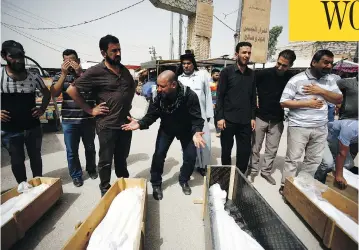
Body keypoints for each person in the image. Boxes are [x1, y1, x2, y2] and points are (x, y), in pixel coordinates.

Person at [66, 35, 136, 196]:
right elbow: (71, 90)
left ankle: (123, 184)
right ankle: (105, 188)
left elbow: (131, 87)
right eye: (114, 51)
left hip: (125, 124)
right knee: (105, 160)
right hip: (107, 125)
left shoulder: (124, 70)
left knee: (122, 158)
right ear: (103, 53)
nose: (118, 53)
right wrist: (90, 110)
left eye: (119, 50)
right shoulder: (96, 71)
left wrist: (126, 106)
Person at [122, 70, 205, 200]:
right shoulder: (158, 96)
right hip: (167, 129)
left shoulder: (189, 95)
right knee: (159, 155)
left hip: (187, 130)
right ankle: (156, 183)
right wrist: (140, 124)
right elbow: (152, 114)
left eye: (162, 86)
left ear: (173, 84)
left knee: (190, 156)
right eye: (158, 85)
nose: (158, 89)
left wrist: (197, 132)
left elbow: (196, 118)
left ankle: (184, 179)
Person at [279, 49, 343, 195]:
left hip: (320, 127)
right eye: (325, 62)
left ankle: (302, 186)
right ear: (314, 62)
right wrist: (307, 103)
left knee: (313, 160)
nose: (329, 66)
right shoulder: (296, 79)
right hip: (299, 127)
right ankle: (286, 186)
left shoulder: (330, 80)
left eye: (331, 63)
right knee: (293, 160)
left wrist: (321, 91)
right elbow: (284, 102)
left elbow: (339, 99)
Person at [0, 40, 51, 183]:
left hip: (32, 127)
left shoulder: (33, 76)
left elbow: (47, 94)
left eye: (21, 56)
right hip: (10, 129)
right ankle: (23, 188)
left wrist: (42, 109)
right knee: (17, 161)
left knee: (35, 157)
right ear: (4, 56)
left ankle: (39, 184)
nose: (19, 60)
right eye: (13, 56)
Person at [50, 49, 98, 187]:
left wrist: (79, 74)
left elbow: (92, 90)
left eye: (71, 60)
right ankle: (76, 175)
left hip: (87, 119)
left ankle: (91, 169)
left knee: (90, 147)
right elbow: (54, 92)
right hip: (69, 121)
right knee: (72, 151)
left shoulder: (87, 75)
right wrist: (63, 75)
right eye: (66, 61)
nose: (69, 63)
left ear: (78, 60)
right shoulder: (60, 75)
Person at [248, 50, 297, 185]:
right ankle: (252, 169)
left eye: (284, 65)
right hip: (260, 117)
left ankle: (266, 172)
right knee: (255, 147)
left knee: (272, 149)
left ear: (290, 65)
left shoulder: (292, 78)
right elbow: (249, 88)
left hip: (278, 119)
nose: (280, 67)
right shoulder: (263, 74)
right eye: (278, 63)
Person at [215, 42, 256, 174]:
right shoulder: (227, 72)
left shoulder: (252, 74)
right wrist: (220, 117)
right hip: (228, 119)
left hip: (245, 121)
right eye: (244, 52)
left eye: (249, 53)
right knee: (226, 149)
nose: (247, 55)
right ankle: (226, 175)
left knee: (244, 151)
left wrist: (252, 117)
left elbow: (252, 97)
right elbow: (220, 95)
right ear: (236, 54)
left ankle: (240, 176)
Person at [314, 74, 358, 183]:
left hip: (339, 136)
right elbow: (342, 153)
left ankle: (332, 179)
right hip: (324, 136)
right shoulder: (346, 82)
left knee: (348, 164)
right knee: (328, 163)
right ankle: (317, 180)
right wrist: (337, 102)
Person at [177, 50, 213, 176]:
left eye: (188, 63)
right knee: (189, 143)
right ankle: (192, 164)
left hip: (201, 116)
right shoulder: (178, 79)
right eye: (184, 64)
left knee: (204, 141)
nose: (186, 66)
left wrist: (208, 114)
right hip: (186, 118)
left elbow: (208, 95)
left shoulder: (202, 76)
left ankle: (203, 166)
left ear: (193, 64)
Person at [210, 68, 221, 137]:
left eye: (219, 75)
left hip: (220, 103)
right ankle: (218, 130)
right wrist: (211, 103)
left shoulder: (221, 83)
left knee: (220, 116)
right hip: (213, 104)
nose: (218, 76)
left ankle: (220, 129)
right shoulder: (209, 83)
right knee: (215, 117)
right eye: (216, 75)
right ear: (212, 75)